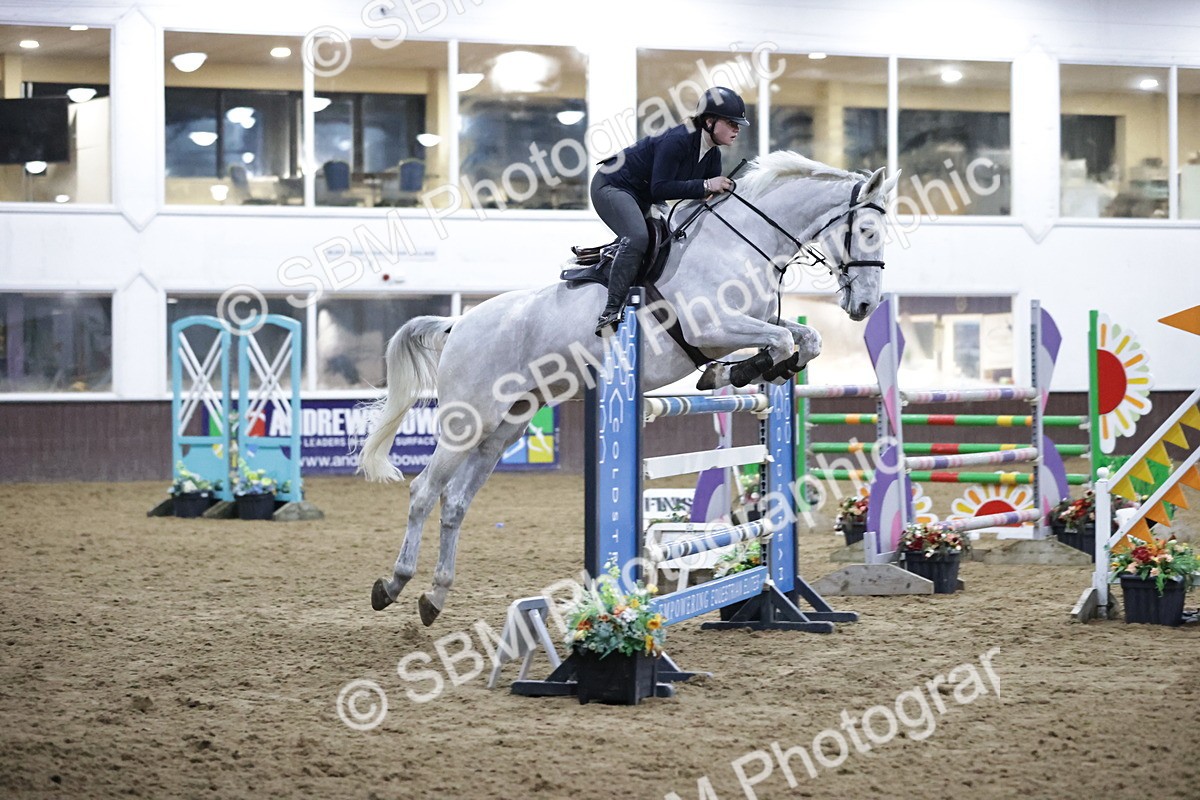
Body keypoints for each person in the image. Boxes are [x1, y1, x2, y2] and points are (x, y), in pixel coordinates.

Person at [590, 86, 750, 336]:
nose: (737, 129)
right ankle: (609, 312)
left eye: (738, 124)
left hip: (642, 195)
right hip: (612, 185)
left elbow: (703, 202)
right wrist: (707, 185)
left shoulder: (712, 155)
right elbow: (660, 188)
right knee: (638, 237)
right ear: (709, 121)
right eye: (731, 123)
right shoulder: (677, 139)